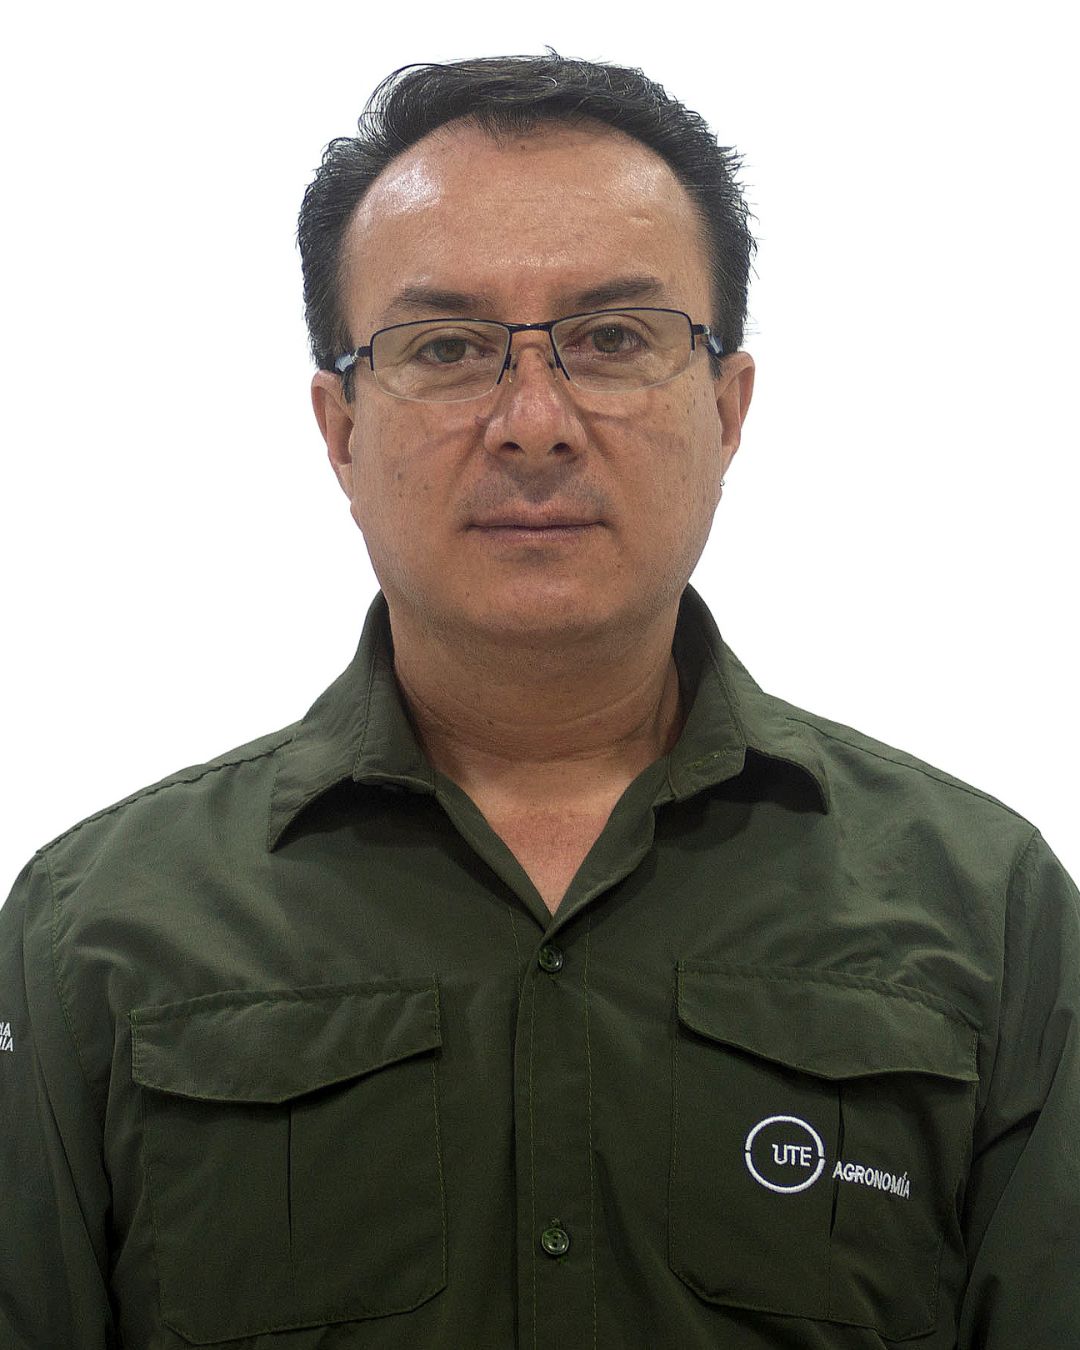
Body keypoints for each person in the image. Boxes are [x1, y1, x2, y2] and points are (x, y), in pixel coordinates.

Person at [1, 51, 1077, 1350]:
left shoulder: (990, 911)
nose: (532, 420)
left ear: (729, 409)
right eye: (448, 347)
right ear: (340, 428)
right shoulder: (91, 933)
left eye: (613, 339)